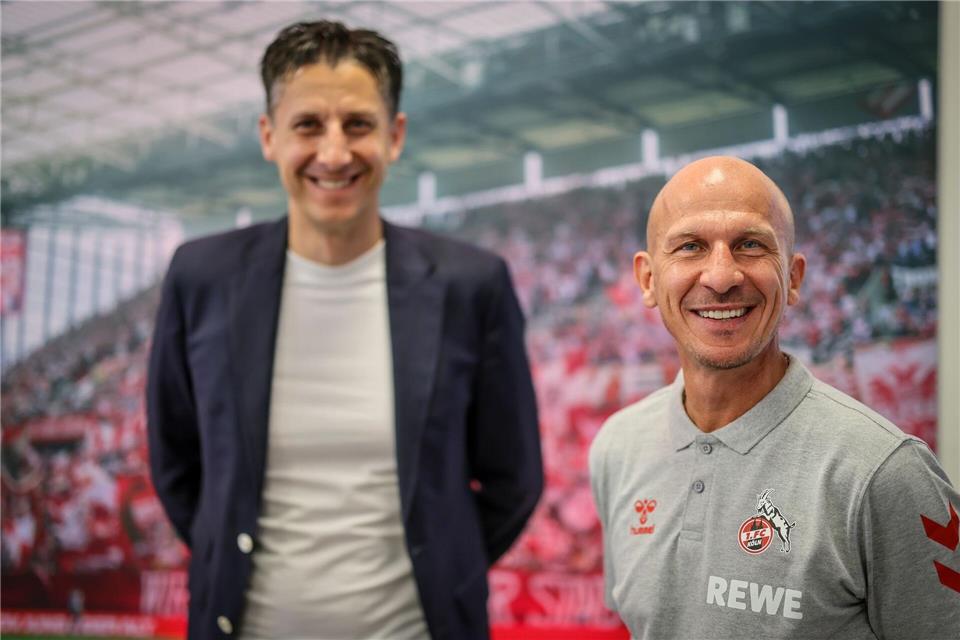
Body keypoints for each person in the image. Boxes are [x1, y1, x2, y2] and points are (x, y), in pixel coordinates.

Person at [146, 21, 542, 640]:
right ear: (269, 136)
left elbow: (514, 478)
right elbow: (176, 466)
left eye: (357, 124)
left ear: (395, 136)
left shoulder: (472, 285)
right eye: (308, 125)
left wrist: (443, 563)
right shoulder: (202, 277)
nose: (334, 154)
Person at [589, 156, 959, 639]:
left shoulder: (885, 472)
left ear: (794, 278)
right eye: (690, 246)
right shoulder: (617, 448)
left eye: (750, 244)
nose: (721, 277)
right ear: (648, 279)